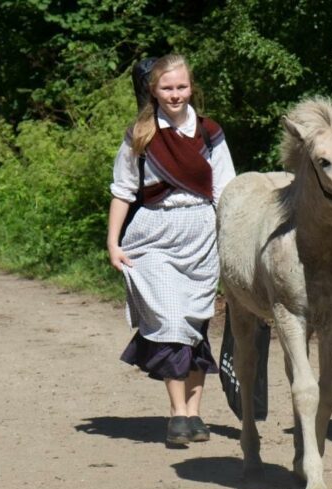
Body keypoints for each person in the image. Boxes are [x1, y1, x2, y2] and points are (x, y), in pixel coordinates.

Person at [106, 54, 235, 446]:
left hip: (202, 233)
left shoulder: (209, 132)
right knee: (172, 321)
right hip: (154, 235)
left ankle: (194, 414)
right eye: (167, 88)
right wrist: (113, 242)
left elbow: (226, 189)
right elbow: (122, 190)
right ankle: (177, 413)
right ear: (153, 90)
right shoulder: (141, 135)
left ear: (191, 87)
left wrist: (233, 240)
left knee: (194, 324)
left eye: (181, 87)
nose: (175, 94)